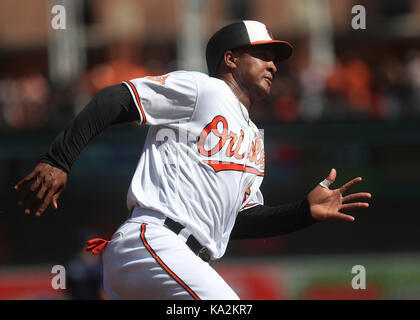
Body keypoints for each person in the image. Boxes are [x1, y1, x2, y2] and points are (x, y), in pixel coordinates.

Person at [14, 20, 371, 300]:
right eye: (262, 55)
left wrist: (303, 213)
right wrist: (59, 159)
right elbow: (117, 98)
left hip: (179, 260)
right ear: (230, 58)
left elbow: (240, 223)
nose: (273, 65)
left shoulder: (255, 139)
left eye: (274, 58)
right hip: (154, 241)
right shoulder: (204, 89)